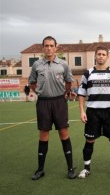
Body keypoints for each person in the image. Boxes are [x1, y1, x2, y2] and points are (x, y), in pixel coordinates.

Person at [29, 36, 76, 180]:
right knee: (43, 134)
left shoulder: (63, 64)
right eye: (46, 45)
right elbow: (32, 83)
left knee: (63, 132)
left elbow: (69, 82)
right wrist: (40, 92)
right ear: (42, 48)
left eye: (51, 45)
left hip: (59, 102)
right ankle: (40, 169)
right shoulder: (37, 65)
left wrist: (62, 93)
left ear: (56, 47)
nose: (49, 48)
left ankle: (70, 168)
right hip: (43, 103)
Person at [77, 46, 110, 178]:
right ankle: (86, 168)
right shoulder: (88, 73)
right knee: (89, 141)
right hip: (92, 112)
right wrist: (82, 111)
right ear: (95, 56)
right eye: (99, 54)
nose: (101, 56)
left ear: (107, 57)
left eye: (103, 54)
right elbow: (81, 93)